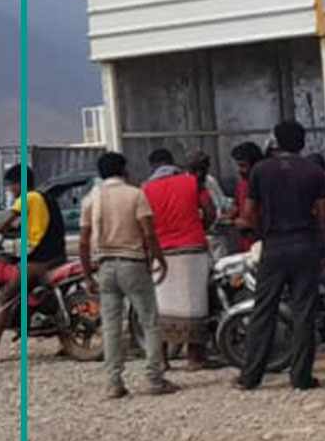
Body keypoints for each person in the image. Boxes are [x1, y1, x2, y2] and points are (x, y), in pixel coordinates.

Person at [236, 121, 325, 392]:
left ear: (276, 142)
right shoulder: (314, 171)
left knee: (263, 310)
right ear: (302, 143)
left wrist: (261, 232)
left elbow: (248, 214)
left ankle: (250, 376)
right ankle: (301, 377)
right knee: (304, 313)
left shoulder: (260, 170)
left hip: (274, 246)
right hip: (306, 245)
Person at [78, 152, 176, 398]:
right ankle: (154, 378)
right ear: (123, 170)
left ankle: (114, 382)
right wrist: (160, 260)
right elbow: (149, 233)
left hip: (105, 265)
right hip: (133, 263)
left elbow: (83, 241)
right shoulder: (135, 194)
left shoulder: (91, 199)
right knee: (149, 321)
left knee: (111, 326)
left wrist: (88, 275)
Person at [142, 149, 217, 371]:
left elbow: (143, 225)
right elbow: (210, 211)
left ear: (152, 166)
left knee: (162, 306)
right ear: (173, 163)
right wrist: (201, 227)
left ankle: (163, 360)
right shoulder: (192, 182)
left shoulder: (145, 189)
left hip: (161, 252)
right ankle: (195, 358)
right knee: (195, 302)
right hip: (192, 249)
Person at [0, 165, 67, 370]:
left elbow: (5, 224)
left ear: (21, 184)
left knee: (4, 298)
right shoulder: (46, 198)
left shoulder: (27, 198)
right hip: (58, 256)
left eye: (11, 185)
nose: (10, 189)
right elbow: (20, 227)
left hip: (40, 260)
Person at [225, 141, 264, 252]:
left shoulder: (265, 185)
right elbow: (237, 204)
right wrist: (228, 216)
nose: (239, 170)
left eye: (243, 166)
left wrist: (248, 224)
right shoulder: (242, 184)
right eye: (238, 165)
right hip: (246, 244)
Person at [186, 150, 229, 215]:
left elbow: (222, 201)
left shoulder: (211, 181)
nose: (199, 174)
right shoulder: (182, 185)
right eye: (195, 170)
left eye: (202, 169)